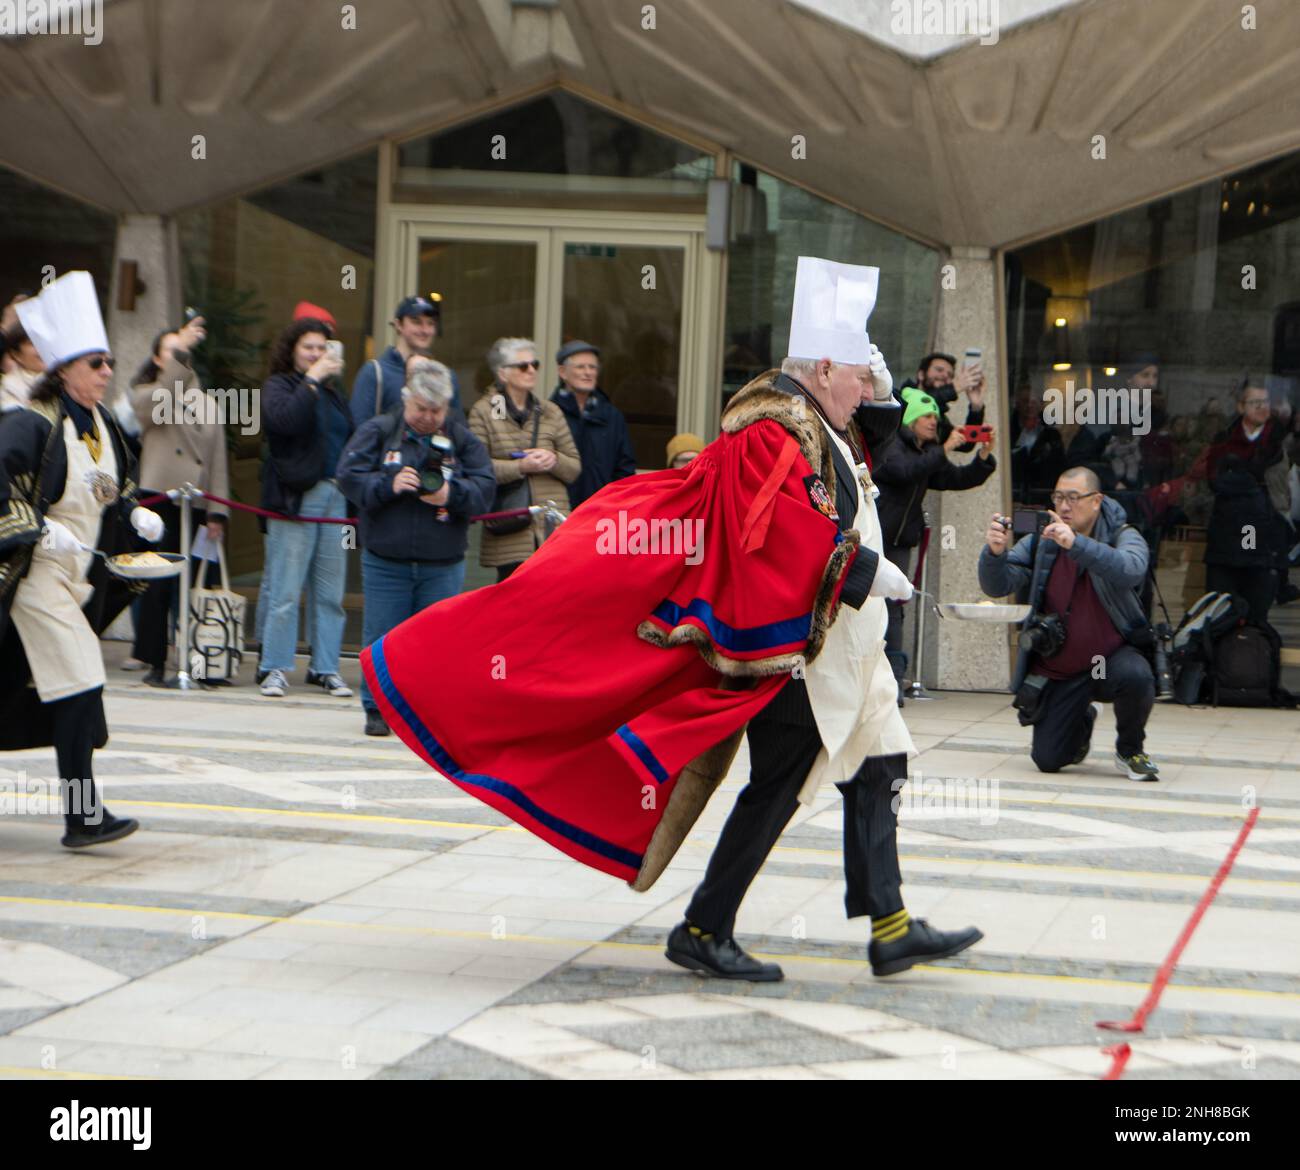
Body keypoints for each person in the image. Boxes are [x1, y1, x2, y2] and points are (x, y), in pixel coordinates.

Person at [362, 256, 982, 984]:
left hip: (834, 647)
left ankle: (883, 925)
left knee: (874, 766)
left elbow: (861, 435)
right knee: (795, 783)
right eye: (857, 377)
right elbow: (774, 531)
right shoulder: (772, 430)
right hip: (797, 651)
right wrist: (865, 570)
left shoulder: (816, 417)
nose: (868, 391)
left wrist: (879, 387)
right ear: (820, 370)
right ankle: (716, 926)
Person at [0, 272, 166, 848]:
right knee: (79, 685)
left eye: (108, 361)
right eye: (95, 362)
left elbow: (108, 489)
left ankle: (82, 813)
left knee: (58, 690)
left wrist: (134, 513)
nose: (106, 371)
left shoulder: (100, 426)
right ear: (64, 368)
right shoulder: (30, 422)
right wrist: (39, 531)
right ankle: (82, 816)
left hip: (77, 578)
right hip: (35, 577)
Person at [337, 358, 494, 736]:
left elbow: (485, 489)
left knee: (436, 644)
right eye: (421, 409)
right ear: (407, 400)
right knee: (381, 638)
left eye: (436, 410)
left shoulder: (461, 438)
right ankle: (376, 708)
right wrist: (386, 486)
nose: (428, 417)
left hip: (442, 561)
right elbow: (347, 476)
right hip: (385, 559)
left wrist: (449, 493)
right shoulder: (380, 430)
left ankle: (425, 713)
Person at [979, 467, 1159, 781]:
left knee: (1137, 675)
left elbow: (1131, 569)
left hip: (1110, 659)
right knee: (1048, 760)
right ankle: (1083, 718)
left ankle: (1130, 750)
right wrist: (995, 553)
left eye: (1074, 498)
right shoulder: (1042, 538)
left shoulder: (1122, 533)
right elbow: (999, 585)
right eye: (1059, 497)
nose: (1064, 506)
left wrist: (1075, 544)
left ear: (1097, 501)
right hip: (1062, 668)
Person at [873, 386, 996, 698]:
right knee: (869, 606)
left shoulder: (925, 453)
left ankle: (893, 682)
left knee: (894, 606)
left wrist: (982, 457)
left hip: (900, 543)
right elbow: (902, 472)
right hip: (874, 538)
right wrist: (945, 449)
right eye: (927, 415)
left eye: (935, 416)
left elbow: (955, 479)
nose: (934, 421)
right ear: (912, 419)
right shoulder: (890, 445)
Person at [129, 316, 229, 685]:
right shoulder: (146, 394)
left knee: (198, 587)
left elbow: (218, 460)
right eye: (170, 352)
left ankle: (203, 661)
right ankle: (155, 662)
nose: (177, 357)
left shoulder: (207, 402)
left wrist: (218, 511)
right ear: (159, 360)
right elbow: (158, 403)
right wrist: (182, 352)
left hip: (198, 505)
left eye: (181, 351)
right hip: (160, 501)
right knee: (158, 585)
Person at [258, 316, 354, 699]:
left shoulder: (333, 393)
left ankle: (326, 667)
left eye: (322, 348)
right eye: (309, 347)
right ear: (293, 350)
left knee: (331, 591)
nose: (317, 354)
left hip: (336, 495)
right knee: (285, 589)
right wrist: (313, 380)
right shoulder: (279, 386)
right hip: (296, 497)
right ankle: (276, 667)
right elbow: (283, 422)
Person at [468, 337, 580, 581]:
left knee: (552, 604)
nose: (531, 370)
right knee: (512, 608)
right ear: (503, 373)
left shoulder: (551, 411)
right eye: (522, 366)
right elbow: (477, 469)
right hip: (511, 531)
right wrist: (521, 466)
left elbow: (573, 467)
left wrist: (553, 459)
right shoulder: (484, 411)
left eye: (535, 364)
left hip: (552, 528)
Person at [349, 295, 462, 429]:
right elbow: (360, 431)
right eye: (417, 322)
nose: (425, 330)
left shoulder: (447, 377)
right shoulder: (375, 372)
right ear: (398, 325)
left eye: (431, 323)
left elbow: (457, 431)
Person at [551, 340, 637, 508]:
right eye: (580, 367)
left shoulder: (612, 416)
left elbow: (625, 469)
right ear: (562, 372)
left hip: (602, 512)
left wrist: (615, 504)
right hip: (561, 513)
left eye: (593, 367)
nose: (588, 373)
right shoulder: (550, 413)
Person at [1, 321, 45, 411]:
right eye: (32, 344)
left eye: (43, 340)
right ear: (16, 355)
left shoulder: (64, 374)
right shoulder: (10, 388)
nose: (42, 347)